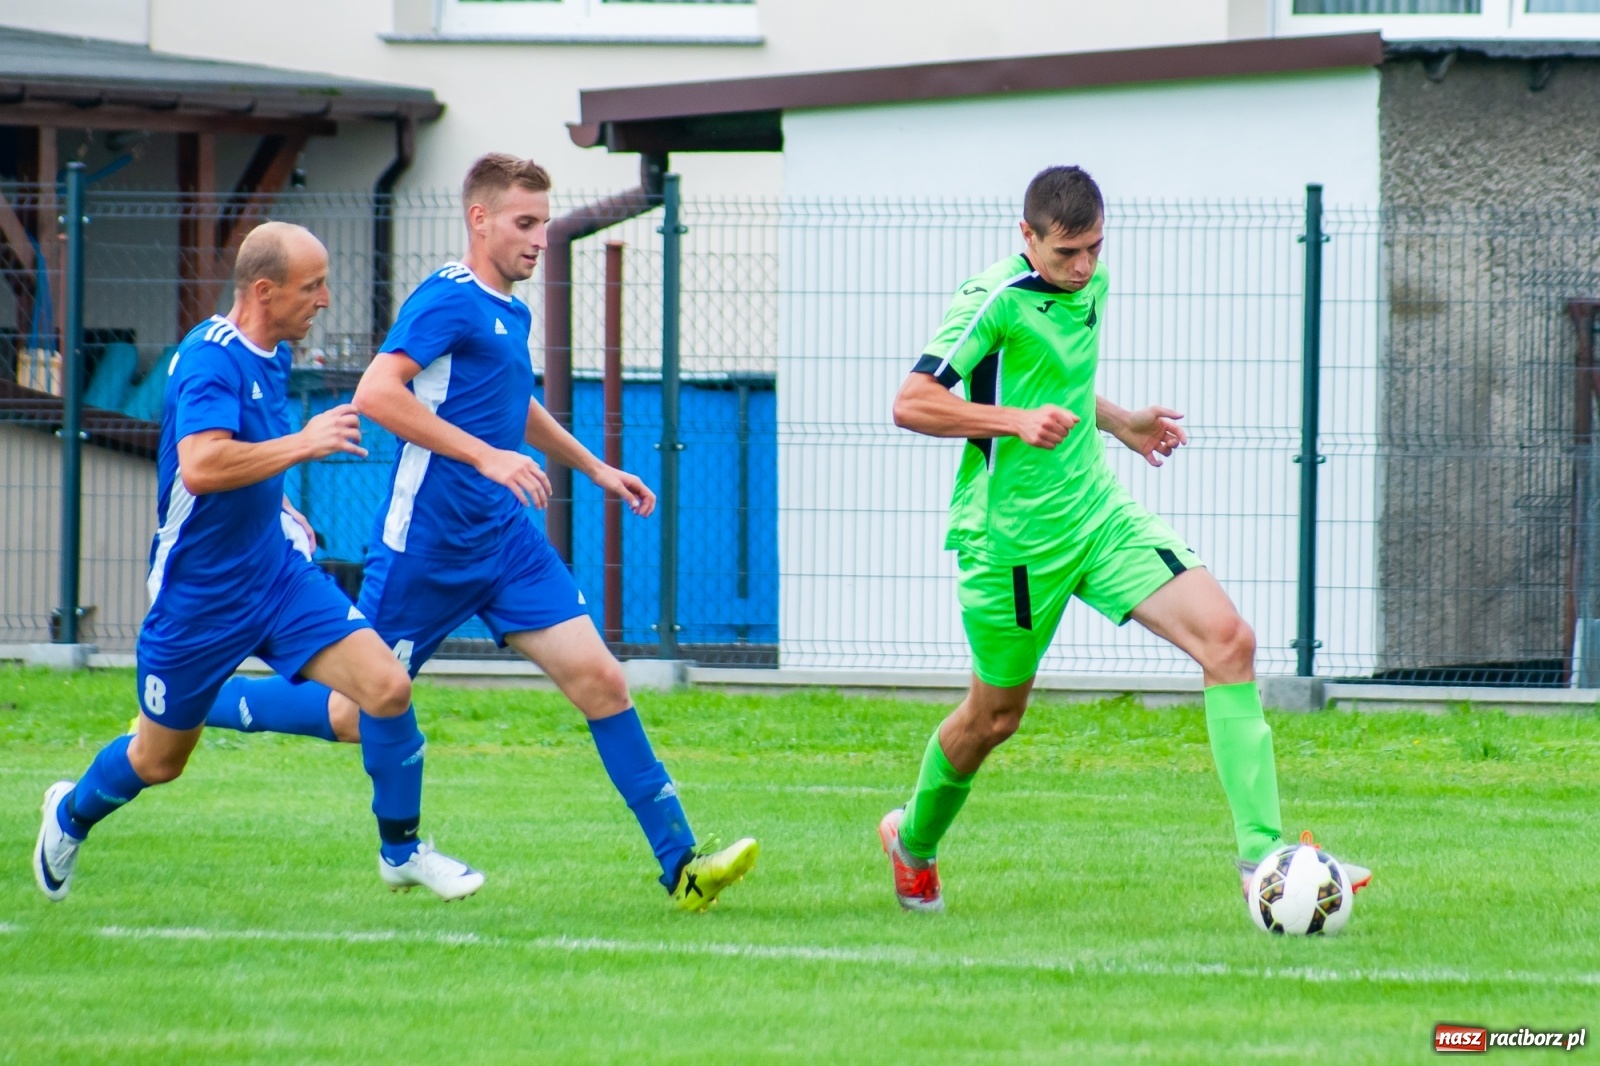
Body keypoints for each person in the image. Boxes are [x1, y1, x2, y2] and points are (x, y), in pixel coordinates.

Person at [198, 154, 758, 912]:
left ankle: (682, 866)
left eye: (544, 225)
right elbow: (377, 393)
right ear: (480, 220)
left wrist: (595, 468)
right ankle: (211, 701)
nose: (538, 240)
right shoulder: (447, 301)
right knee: (353, 716)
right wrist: (486, 455)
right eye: (524, 224)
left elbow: (512, 401)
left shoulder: (511, 309)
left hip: (504, 544)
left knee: (603, 681)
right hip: (425, 547)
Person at [878, 165, 1371, 913]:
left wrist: (1121, 422)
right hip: (1012, 546)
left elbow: (1057, 382)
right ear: (1028, 238)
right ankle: (912, 841)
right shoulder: (992, 301)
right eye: (1065, 254)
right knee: (994, 720)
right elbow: (912, 402)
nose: (1082, 269)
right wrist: (1015, 422)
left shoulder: (1090, 286)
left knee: (1230, 642)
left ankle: (1262, 857)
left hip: (1100, 514)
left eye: (1094, 251)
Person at [34, 222, 482, 903]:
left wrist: (278, 508)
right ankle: (69, 814)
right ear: (263, 291)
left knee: (385, 689)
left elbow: (249, 459)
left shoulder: (271, 351)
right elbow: (203, 463)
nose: (326, 298)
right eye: (313, 286)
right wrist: (302, 444)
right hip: (200, 598)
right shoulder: (211, 359)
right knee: (159, 762)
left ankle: (402, 850)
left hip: (274, 576)